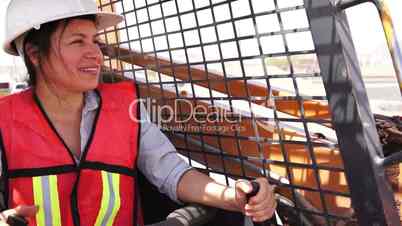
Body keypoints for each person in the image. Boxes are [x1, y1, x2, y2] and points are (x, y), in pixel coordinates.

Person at [0, 0, 277, 225]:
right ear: (35, 55)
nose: (95, 53)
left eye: (95, 41)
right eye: (77, 42)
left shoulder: (126, 109)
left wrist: (233, 197)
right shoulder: (3, 120)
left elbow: (172, 172)